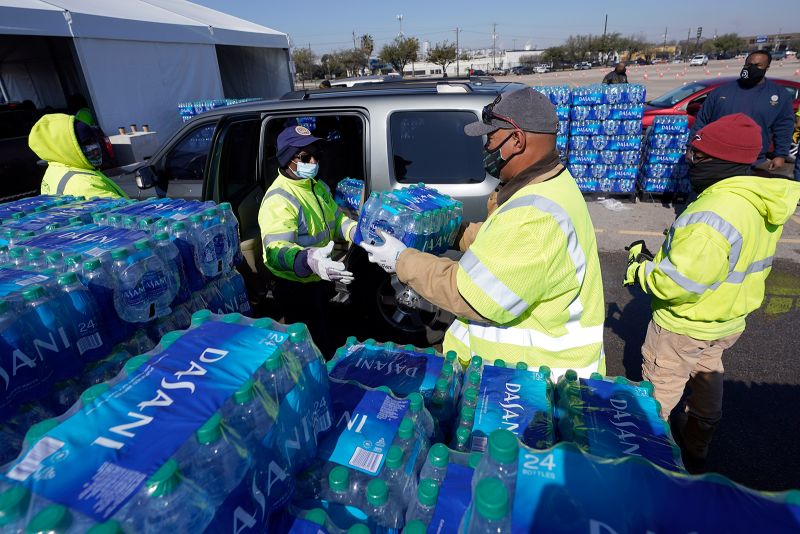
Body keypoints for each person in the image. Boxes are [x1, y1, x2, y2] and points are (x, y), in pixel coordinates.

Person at [361, 87, 605, 377]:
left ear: (516, 140)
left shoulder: (533, 218)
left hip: (531, 384)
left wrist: (401, 260)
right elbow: (499, 239)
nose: (486, 146)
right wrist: (451, 234)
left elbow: (465, 293)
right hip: (520, 376)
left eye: (491, 137)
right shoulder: (550, 186)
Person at [624, 113, 800, 471]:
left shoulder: (711, 213)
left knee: (659, 390)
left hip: (685, 324)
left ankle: (651, 461)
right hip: (727, 320)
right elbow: (722, 262)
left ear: (721, 160)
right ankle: (698, 440)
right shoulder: (758, 199)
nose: (690, 162)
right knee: (707, 375)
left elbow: (677, 283)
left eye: (696, 156)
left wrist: (640, 270)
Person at [258, 124, 358, 355]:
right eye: (305, 157)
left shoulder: (317, 187)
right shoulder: (279, 199)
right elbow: (275, 251)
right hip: (296, 288)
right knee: (311, 347)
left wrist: (356, 232)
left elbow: (335, 219)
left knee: (326, 332)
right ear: (286, 160)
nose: (313, 162)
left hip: (320, 278)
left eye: (316, 154)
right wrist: (309, 260)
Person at [689, 50, 794, 177]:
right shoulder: (721, 92)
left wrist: (781, 154)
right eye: (748, 65)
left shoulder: (779, 95)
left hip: (753, 161)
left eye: (758, 65)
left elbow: (784, 127)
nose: (752, 68)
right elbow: (702, 120)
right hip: (717, 158)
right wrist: (691, 146)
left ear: (767, 67)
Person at [29, 113, 127, 198]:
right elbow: (125, 213)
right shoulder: (85, 184)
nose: (95, 148)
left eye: (94, 140)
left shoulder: (55, 169)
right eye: (86, 143)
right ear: (66, 148)